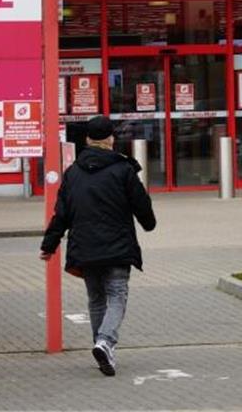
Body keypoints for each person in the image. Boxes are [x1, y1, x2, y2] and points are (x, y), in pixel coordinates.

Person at [40, 116, 156, 376]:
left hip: (85, 249)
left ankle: (103, 349)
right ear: (111, 139)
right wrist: (149, 223)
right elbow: (141, 205)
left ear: (87, 140)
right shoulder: (123, 169)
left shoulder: (73, 173)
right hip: (117, 249)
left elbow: (62, 214)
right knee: (117, 295)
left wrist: (49, 245)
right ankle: (105, 341)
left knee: (96, 299)